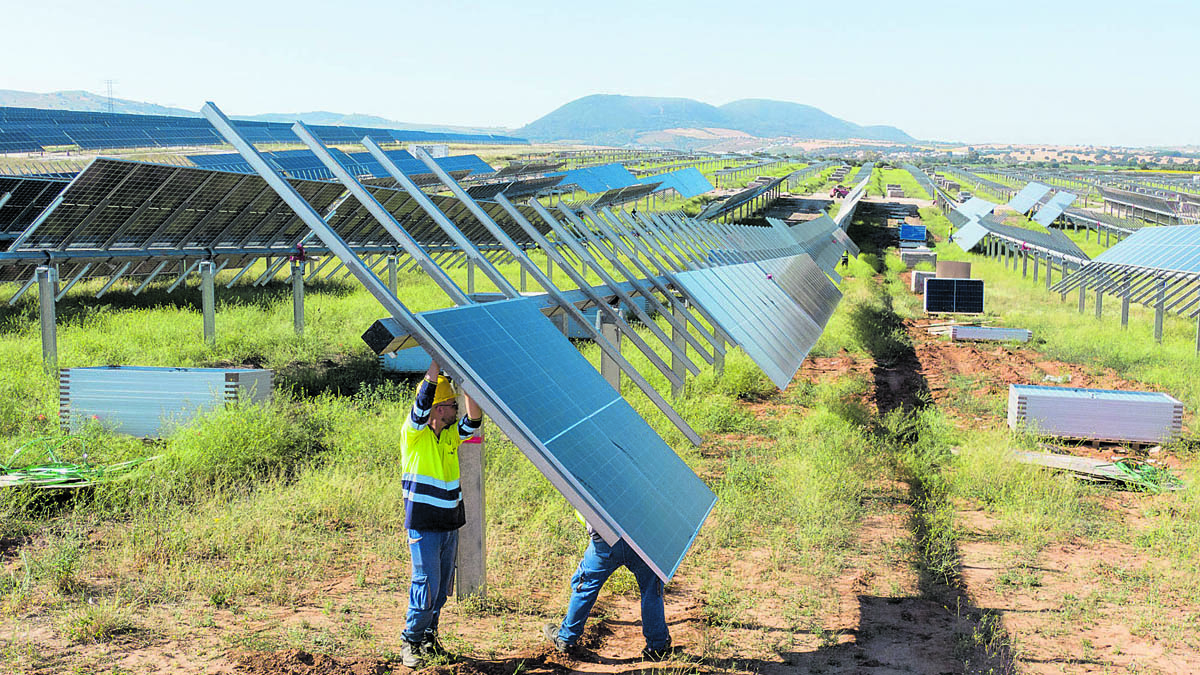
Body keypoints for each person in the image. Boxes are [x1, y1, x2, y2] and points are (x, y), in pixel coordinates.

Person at [400, 360, 482, 667]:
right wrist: (435, 361)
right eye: (450, 404)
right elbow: (422, 400)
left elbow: (474, 419)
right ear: (437, 410)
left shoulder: (449, 435)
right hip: (424, 524)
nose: (455, 409)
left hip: (449, 523)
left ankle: (428, 637)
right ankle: (410, 640)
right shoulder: (414, 434)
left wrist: (467, 381)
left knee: (442, 586)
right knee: (427, 585)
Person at [542, 519, 673, 661]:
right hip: (641, 539)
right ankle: (657, 646)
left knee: (586, 586)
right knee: (651, 590)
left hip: (605, 540)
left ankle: (566, 638)